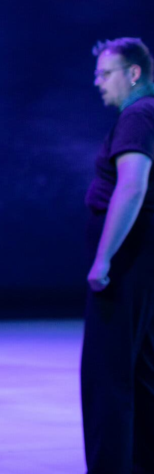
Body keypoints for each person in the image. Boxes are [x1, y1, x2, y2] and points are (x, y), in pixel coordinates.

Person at [81, 37, 154, 474]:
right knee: (140, 368)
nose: (97, 82)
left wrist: (104, 257)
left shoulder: (138, 115)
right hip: (142, 258)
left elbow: (131, 185)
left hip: (127, 261)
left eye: (104, 73)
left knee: (107, 376)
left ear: (133, 73)